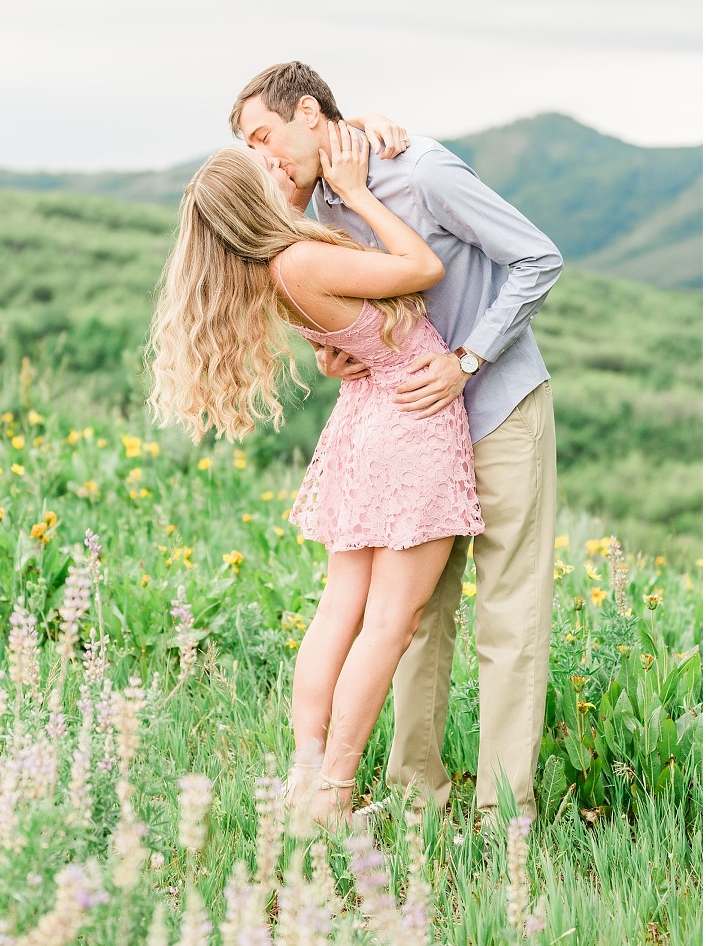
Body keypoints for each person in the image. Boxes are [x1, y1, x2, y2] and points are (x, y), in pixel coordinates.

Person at [230, 61, 563, 824]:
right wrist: (330, 350)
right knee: (414, 618)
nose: (264, 156)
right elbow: (343, 301)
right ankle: (418, 801)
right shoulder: (314, 203)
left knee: (508, 616)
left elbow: (537, 258)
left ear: (308, 112)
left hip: (499, 407)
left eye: (264, 135)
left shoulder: (424, 171)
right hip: (413, 431)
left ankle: (499, 816)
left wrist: (468, 359)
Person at [146, 123, 484, 826]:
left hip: (365, 423)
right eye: (263, 168)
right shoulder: (302, 258)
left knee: (341, 608)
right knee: (391, 621)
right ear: (252, 200)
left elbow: (344, 338)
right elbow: (423, 267)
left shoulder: (271, 268)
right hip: (408, 419)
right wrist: (358, 194)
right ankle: (332, 793)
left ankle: (308, 775)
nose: (279, 168)